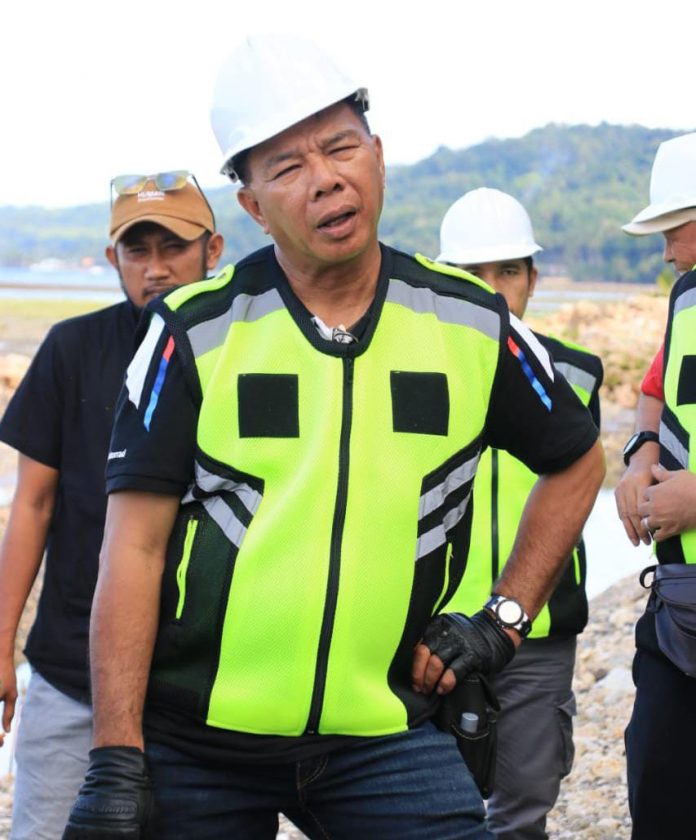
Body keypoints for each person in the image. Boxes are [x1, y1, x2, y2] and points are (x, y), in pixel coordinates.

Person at [63, 34, 604, 840]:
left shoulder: (471, 321)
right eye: (285, 167)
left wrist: (503, 617)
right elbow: (132, 550)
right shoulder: (196, 331)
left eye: (341, 146)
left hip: (385, 733)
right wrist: (116, 755)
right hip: (197, 739)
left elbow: (578, 461)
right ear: (250, 205)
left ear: (377, 155)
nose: (326, 179)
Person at [0, 172, 223, 839]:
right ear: (113, 260)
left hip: (206, 686)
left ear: (212, 252)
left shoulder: (246, 351)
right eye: (137, 250)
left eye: (173, 248)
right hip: (72, 675)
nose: (155, 268)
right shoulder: (73, 350)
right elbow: (31, 504)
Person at [437, 188, 603, 840]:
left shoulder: (579, 376)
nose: (495, 290)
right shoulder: (413, 372)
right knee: (429, 809)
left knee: (524, 806)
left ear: (533, 278)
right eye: (475, 275)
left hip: (538, 632)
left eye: (508, 271)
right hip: (433, 631)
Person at [614, 131, 696, 839]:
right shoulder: (687, 302)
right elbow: (654, 391)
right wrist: (640, 457)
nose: (666, 250)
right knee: (659, 780)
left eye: (674, 228)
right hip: (682, 613)